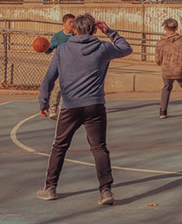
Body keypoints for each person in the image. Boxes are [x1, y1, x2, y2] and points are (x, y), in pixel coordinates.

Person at [36, 14, 133, 206]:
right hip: (95, 105)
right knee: (99, 147)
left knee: (59, 146)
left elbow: (49, 78)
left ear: (74, 30)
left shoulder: (62, 50)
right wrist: (110, 31)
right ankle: (105, 191)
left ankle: (50, 188)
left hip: (70, 106)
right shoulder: (103, 47)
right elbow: (126, 48)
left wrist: (44, 102)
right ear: (95, 30)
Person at [155, 17, 182, 119]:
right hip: (180, 69)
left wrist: (162, 64)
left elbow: (157, 60)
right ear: (176, 28)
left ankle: (163, 111)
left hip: (167, 71)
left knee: (166, 88)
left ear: (164, 28)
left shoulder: (160, 43)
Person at [42, 13, 76, 120]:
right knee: (59, 87)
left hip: (76, 65)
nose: (72, 24)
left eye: (74, 22)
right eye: (70, 22)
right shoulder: (57, 37)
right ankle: (53, 109)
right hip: (62, 66)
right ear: (64, 24)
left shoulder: (77, 35)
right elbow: (49, 50)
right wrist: (43, 47)